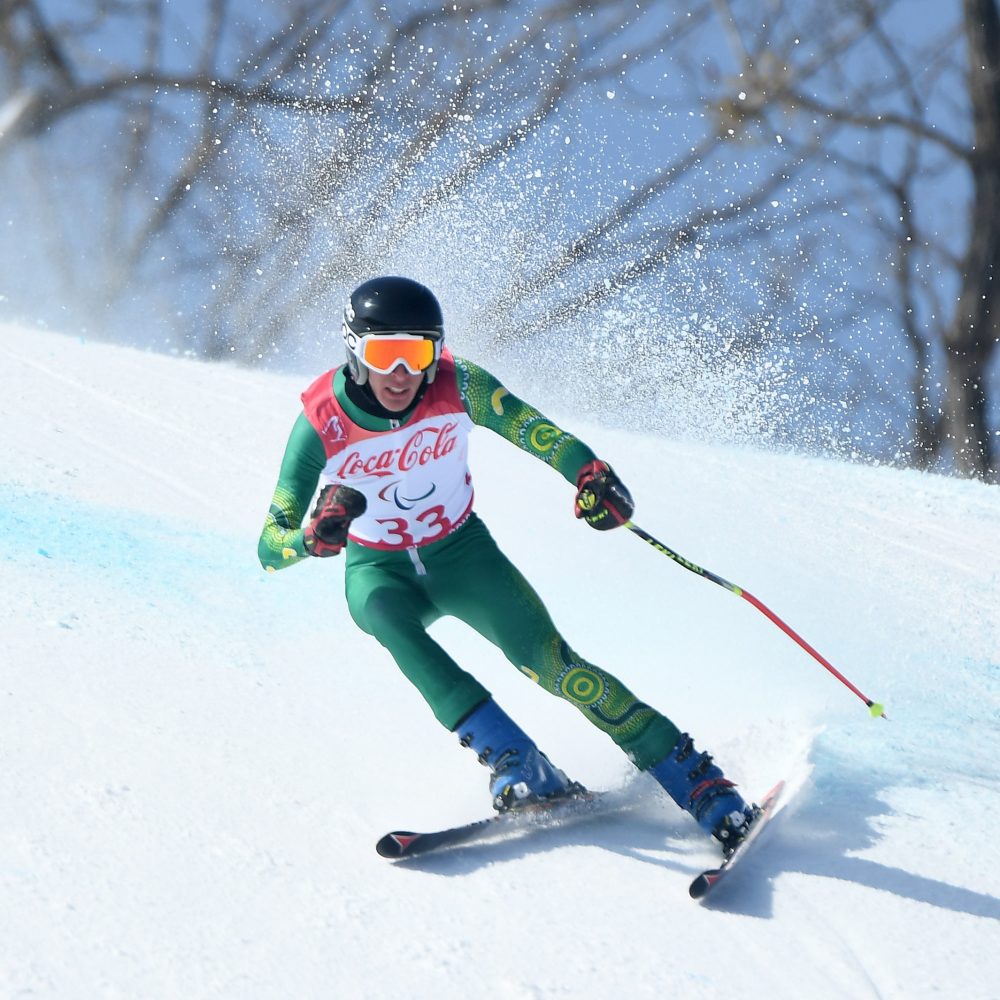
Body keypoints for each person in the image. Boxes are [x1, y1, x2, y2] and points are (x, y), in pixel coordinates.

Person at [258, 275, 755, 855]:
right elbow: (270, 547)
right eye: (384, 353)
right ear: (354, 350)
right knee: (377, 614)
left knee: (555, 667)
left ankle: (704, 788)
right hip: (380, 568)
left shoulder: (459, 384)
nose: (401, 373)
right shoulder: (321, 420)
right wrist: (311, 540)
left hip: (463, 556)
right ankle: (518, 762)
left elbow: (538, 433)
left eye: (416, 353)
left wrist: (590, 474)